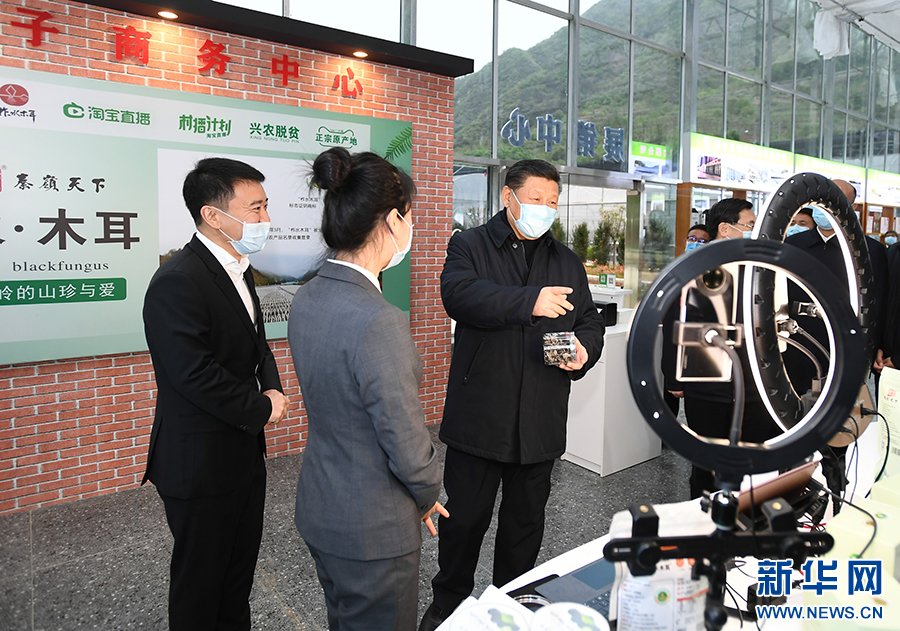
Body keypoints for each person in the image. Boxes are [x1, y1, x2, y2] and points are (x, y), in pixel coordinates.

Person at [419, 159, 605, 631]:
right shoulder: (470, 245)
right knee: (464, 522)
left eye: (552, 202)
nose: (545, 209)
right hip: (481, 417)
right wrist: (529, 301)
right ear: (509, 197)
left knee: (525, 525)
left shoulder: (566, 260)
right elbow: (459, 295)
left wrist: (585, 349)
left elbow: (589, 320)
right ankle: (448, 603)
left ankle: (512, 605)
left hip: (540, 418)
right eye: (536, 199)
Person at [288, 148, 445, 631]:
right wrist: (428, 492)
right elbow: (404, 436)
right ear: (393, 220)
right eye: (410, 216)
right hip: (373, 527)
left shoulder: (308, 294)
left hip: (322, 504)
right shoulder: (379, 320)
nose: (411, 227)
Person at [142, 157, 289, 631]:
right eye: (255, 208)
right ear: (212, 215)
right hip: (199, 463)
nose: (265, 218)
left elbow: (257, 344)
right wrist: (261, 407)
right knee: (200, 587)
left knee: (236, 578)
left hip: (242, 454)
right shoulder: (178, 280)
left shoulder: (239, 268)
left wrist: (273, 385)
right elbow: (192, 373)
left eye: (265, 206)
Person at [783, 179, 887, 512]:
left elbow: (880, 304)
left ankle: (836, 495)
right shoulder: (794, 244)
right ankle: (790, 498)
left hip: (845, 352)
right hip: (798, 348)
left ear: (851, 206)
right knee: (793, 424)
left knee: (839, 430)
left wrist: (876, 349)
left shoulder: (870, 251)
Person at [671, 198, 781, 499]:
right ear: (725, 228)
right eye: (749, 225)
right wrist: (675, 377)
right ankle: (704, 516)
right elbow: (676, 322)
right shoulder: (695, 265)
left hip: (753, 384)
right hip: (706, 385)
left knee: (750, 462)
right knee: (707, 463)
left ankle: (746, 516)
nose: (755, 230)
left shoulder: (760, 266)